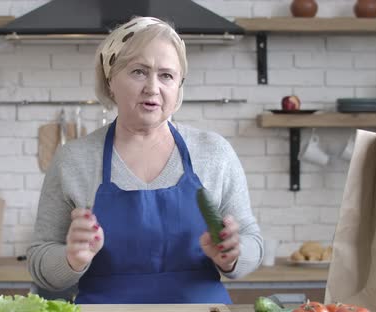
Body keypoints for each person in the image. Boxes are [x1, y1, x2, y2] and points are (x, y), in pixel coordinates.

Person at [28, 16, 263, 304]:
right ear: (110, 80)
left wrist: (234, 254)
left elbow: (252, 240)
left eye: (166, 75)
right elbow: (40, 259)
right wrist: (71, 259)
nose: (153, 87)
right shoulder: (73, 160)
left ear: (178, 86)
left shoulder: (214, 153)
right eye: (139, 72)